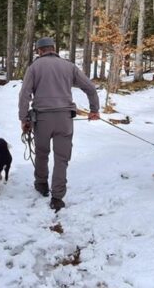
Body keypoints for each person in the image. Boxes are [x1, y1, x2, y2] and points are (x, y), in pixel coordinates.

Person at [18, 37, 100, 211]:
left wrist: (24, 119)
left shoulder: (34, 68)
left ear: (39, 51)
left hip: (42, 119)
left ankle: (41, 184)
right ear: (53, 48)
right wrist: (94, 110)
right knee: (61, 159)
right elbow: (90, 88)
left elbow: (24, 94)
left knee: (41, 153)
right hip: (65, 119)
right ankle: (57, 197)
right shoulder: (69, 66)